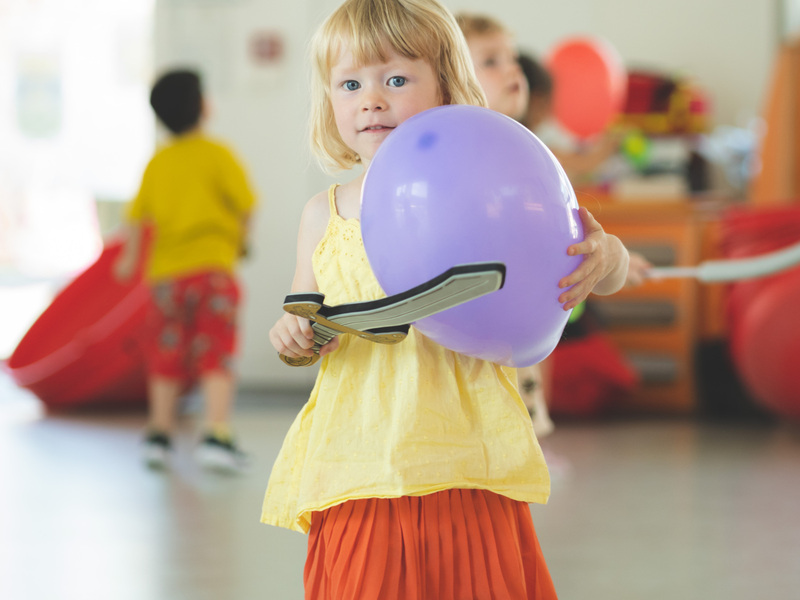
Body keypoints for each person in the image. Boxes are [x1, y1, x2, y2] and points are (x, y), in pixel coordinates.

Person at [262, 0, 630, 597]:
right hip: (361, 464)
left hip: (465, 459)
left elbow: (580, 264)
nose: (371, 99)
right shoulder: (319, 216)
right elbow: (304, 326)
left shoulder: (484, 190)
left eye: (396, 79)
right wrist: (294, 335)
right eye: (350, 83)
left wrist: (607, 257)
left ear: (446, 88)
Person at [113, 69, 257, 472]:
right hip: (212, 273)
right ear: (203, 106)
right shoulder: (218, 154)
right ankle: (216, 435)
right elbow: (246, 205)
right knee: (217, 351)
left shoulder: (157, 162)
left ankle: (159, 433)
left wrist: (128, 261)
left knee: (166, 353)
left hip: (166, 279)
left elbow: (138, 219)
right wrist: (242, 242)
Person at [456, 12, 555, 436]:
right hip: (477, 315)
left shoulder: (529, 148)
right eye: (492, 61)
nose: (513, 69)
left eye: (512, 58)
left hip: (523, 310)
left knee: (520, 413)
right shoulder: (462, 151)